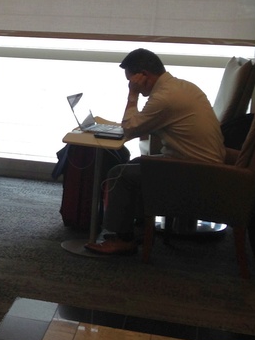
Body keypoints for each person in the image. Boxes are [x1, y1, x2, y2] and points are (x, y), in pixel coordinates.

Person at [84, 48, 226, 256]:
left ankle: (123, 239)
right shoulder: (182, 86)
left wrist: (132, 95)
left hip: (197, 173)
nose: (136, 88)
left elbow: (130, 129)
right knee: (135, 163)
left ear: (144, 76)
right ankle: (138, 227)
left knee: (119, 174)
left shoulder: (164, 97)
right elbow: (140, 126)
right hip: (202, 165)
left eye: (132, 82)